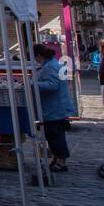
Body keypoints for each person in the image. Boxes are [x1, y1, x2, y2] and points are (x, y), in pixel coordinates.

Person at [34, 43, 74, 173]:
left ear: (39, 56)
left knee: (55, 136)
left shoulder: (50, 67)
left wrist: (34, 84)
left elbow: (53, 85)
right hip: (57, 106)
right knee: (53, 136)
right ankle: (56, 159)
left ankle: (61, 161)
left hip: (54, 108)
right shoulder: (54, 64)